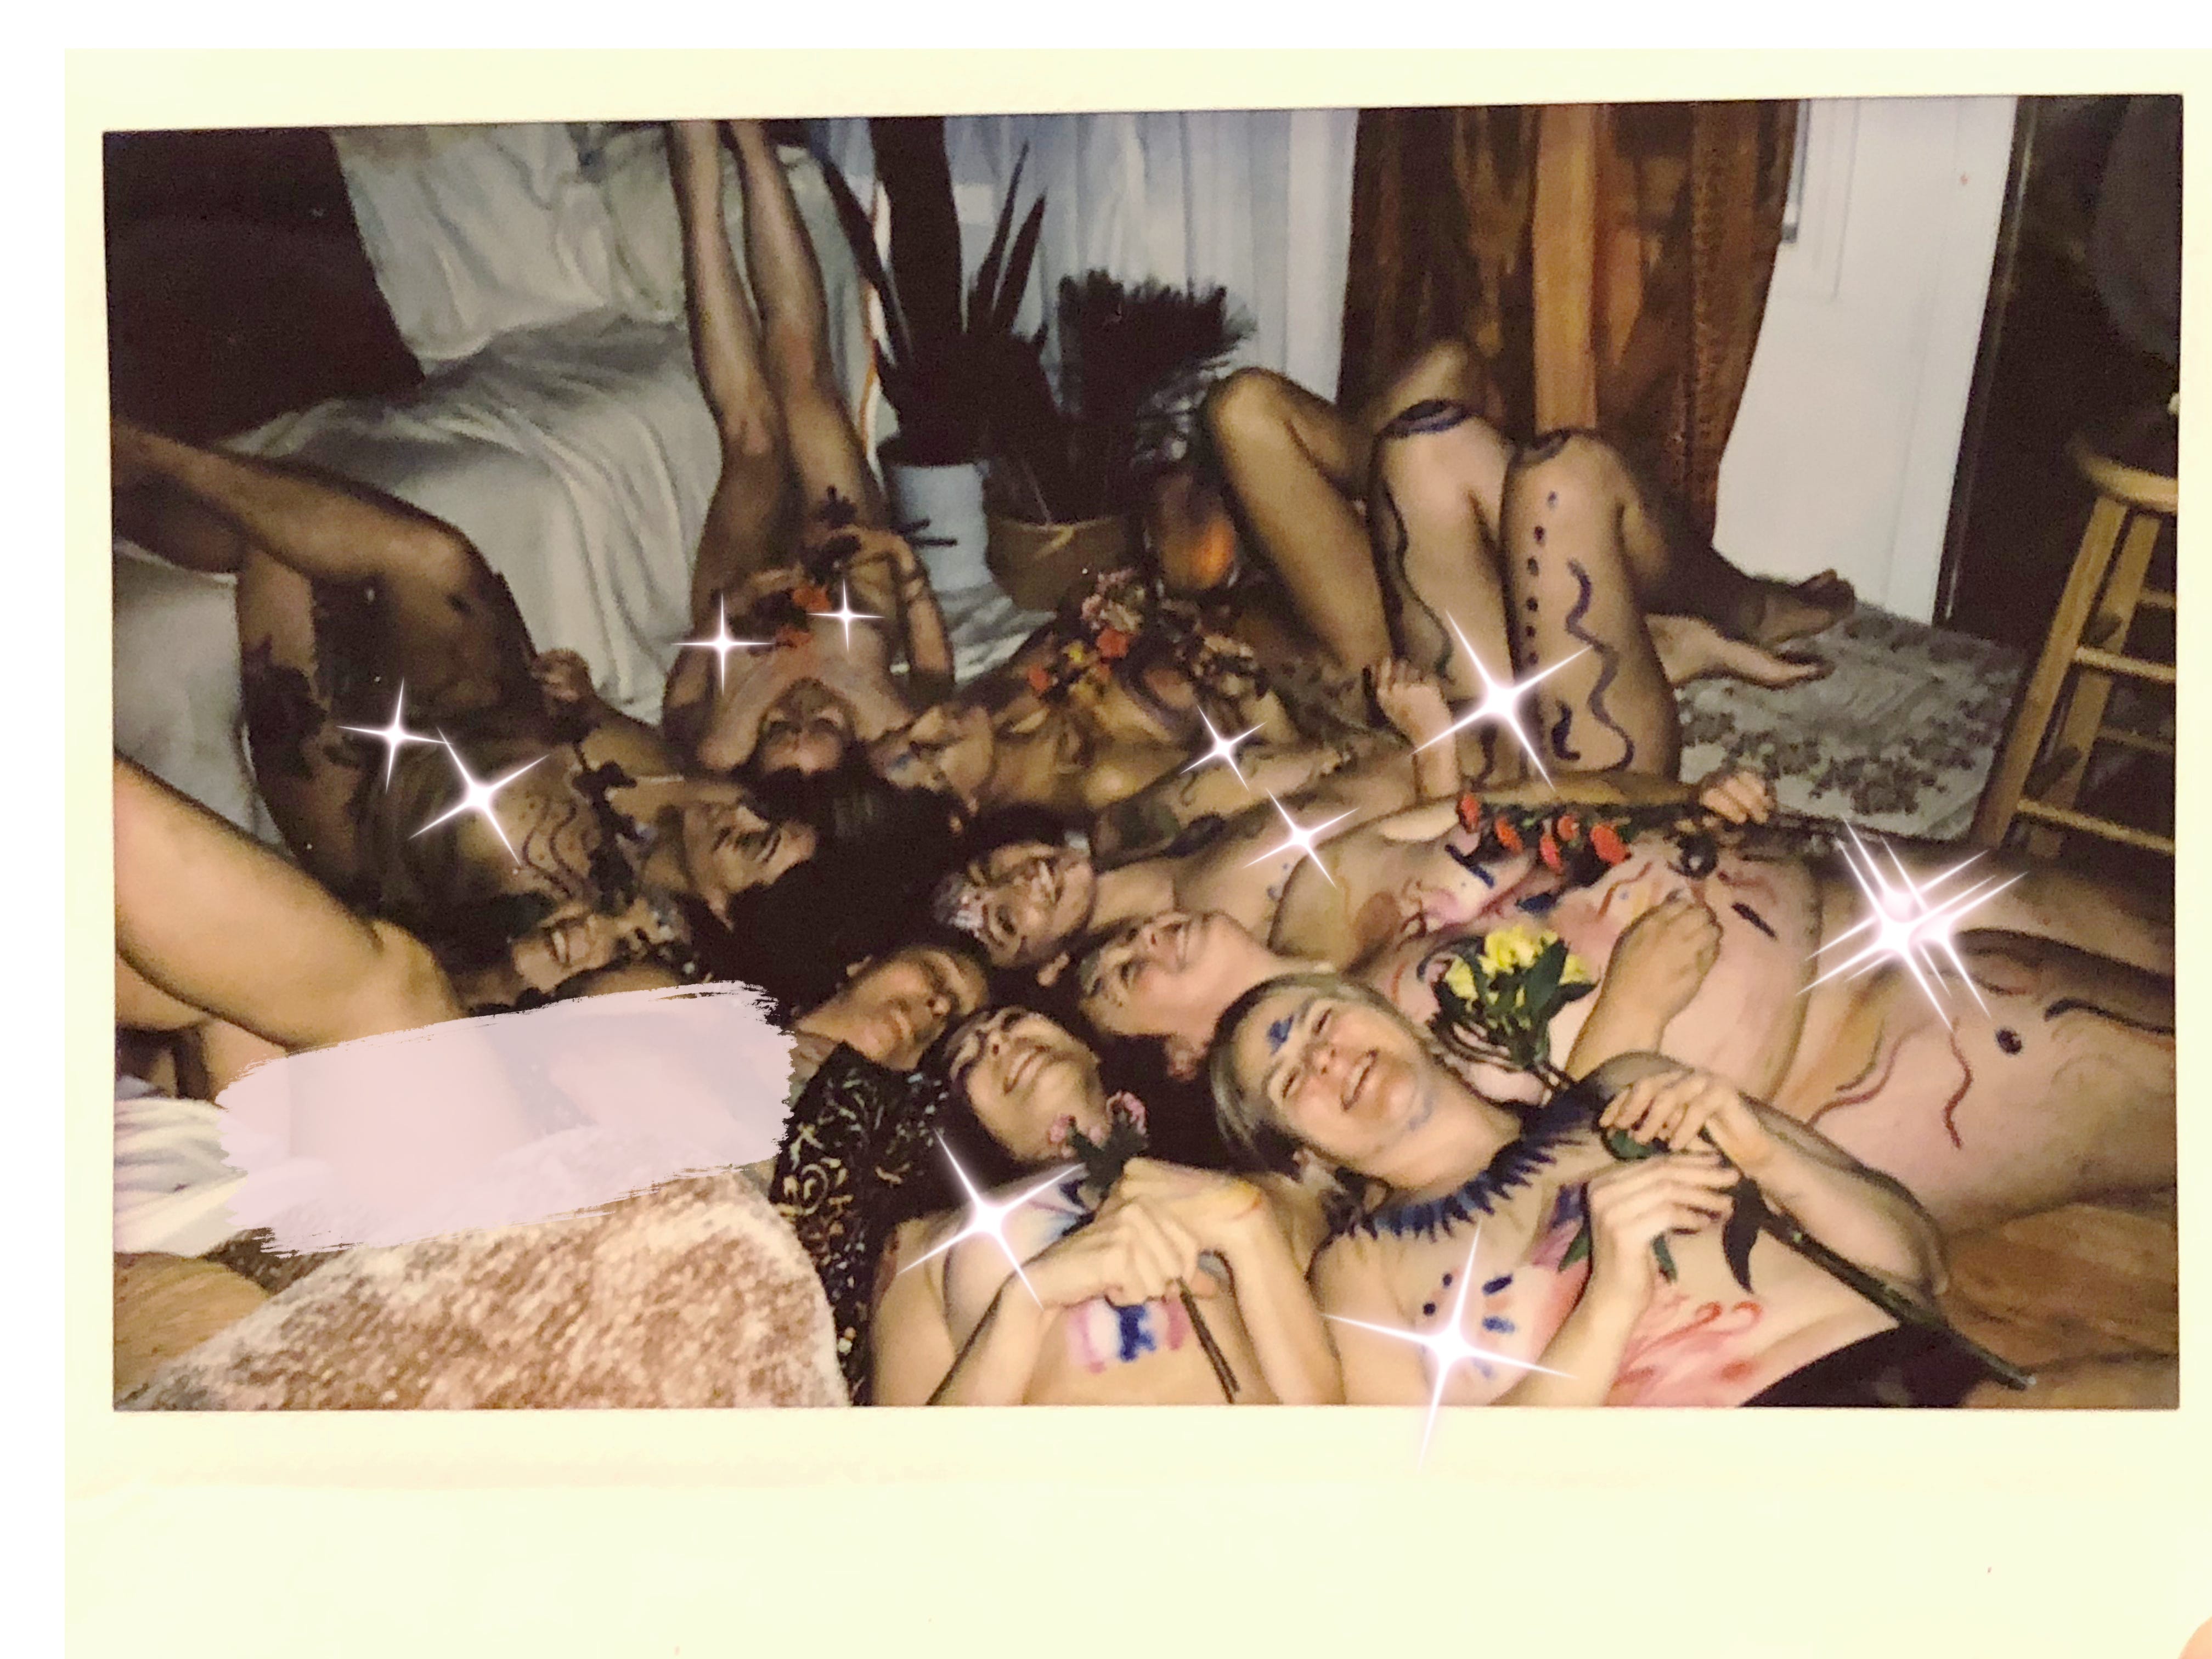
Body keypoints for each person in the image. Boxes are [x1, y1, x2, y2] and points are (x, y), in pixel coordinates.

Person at [1209, 978, 1971, 1407]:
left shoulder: (1629, 1089)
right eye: (1290, 1079)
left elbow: (1922, 1262)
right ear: (1305, 1153)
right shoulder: (1359, 1270)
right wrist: (1609, 1301)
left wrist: (1773, 1161)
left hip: (1924, 1392)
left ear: (1394, 1016)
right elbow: (1442, 1505)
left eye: (1323, 1022)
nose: (1325, 1060)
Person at [1184, 341, 1854, 698]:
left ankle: (1410, 480)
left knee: (1447, 368)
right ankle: (1732, 607)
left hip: (1292, 565)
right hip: (1354, 644)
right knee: (1239, 411)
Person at [656, 119, 955, 781]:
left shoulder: (720, 749)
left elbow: (677, 712)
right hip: (851, 569)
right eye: (824, 726)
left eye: (779, 729)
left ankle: (696, 172)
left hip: (747, 592)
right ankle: (753, 138)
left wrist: (723, 618)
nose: (803, 711)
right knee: (802, 383)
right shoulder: (886, 726)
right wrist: (904, 565)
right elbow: (936, 678)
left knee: (753, 434)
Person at [863, 1008, 1338, 1407]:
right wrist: (1027, 1299)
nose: (998, 1043)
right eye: (967, 1062)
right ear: (968, 1124)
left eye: (1015, 1020)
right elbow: (910, 1478)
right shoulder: (923, 1245)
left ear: (1089, 1048)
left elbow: (1333, 1422)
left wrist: (1247, 1224)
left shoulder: (1245, 1191)